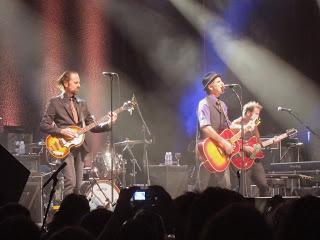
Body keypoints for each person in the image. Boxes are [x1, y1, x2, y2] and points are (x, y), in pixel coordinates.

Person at [40, 70, 117, 195]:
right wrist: (61, 131)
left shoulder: (82, 104)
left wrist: (109, 123)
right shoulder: (55, 102)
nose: (79, 85)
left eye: (79, 82)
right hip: (64, 148)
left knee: (78, 186)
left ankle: (76, 211)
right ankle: (67, 213)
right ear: (66, 83)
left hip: (80, 148)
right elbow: (44, 125)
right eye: (76, 82)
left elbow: (93, 126)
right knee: (70, 182)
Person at [196, 72, 233, 191]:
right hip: (206, 149)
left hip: (220, 150)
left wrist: (245, 125)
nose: (223, 84)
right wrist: (225, 142)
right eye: (219, 82)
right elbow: (205, 127)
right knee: (202, 188)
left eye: (222, 81)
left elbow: (229, 126)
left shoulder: (223, 105)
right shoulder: (204, 103)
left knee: (226, 187)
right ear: (210, 87)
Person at [230, 101, 269, 196]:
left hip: (254, 160)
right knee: (244, 190)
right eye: (256, 113)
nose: (258, 116)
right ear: (248, 113)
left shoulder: (254, 126)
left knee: (264, 186)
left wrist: (271, 142)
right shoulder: (236, 124)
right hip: (241, 160)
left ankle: (263, 209)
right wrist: (244, 147)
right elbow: (230, 141)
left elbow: (258, 142)